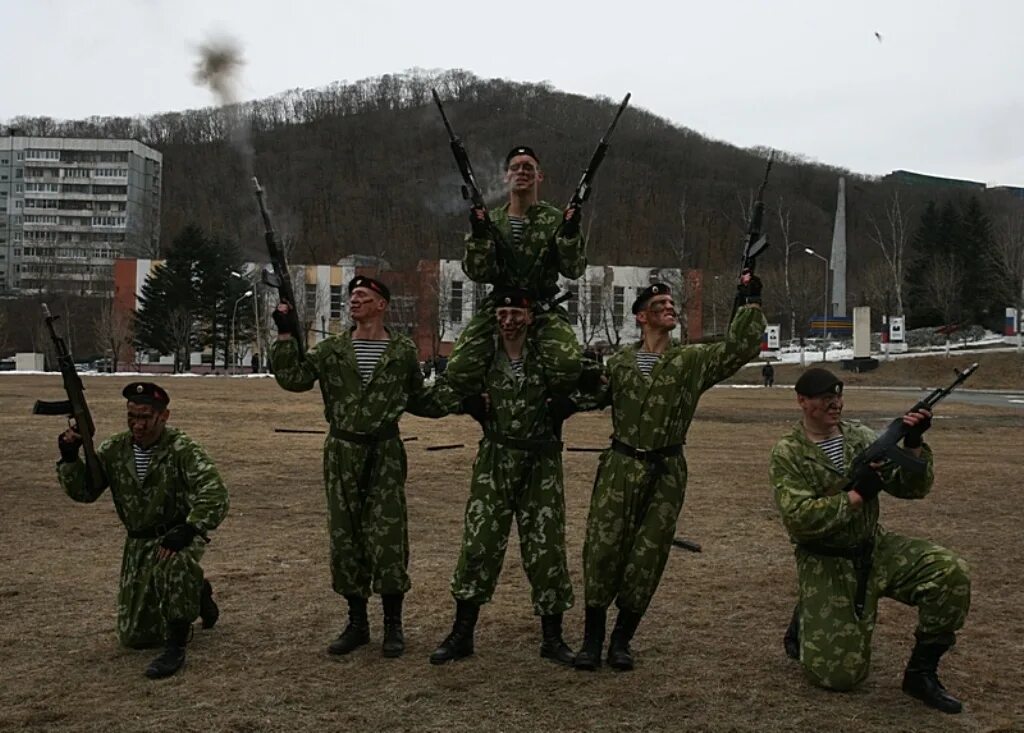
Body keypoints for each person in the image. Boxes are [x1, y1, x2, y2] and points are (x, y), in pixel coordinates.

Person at [572, 275, 766, 671]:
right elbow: (586, 397)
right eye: (659, 304)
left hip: (666, 471)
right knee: (602, 549)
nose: (668, 308)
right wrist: (578, 376)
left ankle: (621, 641)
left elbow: (739, 348)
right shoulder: (620, 363)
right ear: (641, 317)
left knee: (648, 555)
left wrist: (749, 300)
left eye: (671, 304)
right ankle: (591, 641)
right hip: (620, 466)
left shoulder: (691, 362)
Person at [769, 367, 970, 714]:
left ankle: (921, 675)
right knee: (839, 678)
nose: (836, 404)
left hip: (873, 546)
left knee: (950, 572)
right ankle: (807, 617)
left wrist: (913, 443)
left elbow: (912, 489)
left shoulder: (860, 437)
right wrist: (856, 495)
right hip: (827, 561)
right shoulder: (788, 452)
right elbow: (800, 520)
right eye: (826, 398)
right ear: (802, 401)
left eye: (839, 396)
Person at [270, 275, 447, 659]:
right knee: (345, 537)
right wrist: (285, 337)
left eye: (362, 296)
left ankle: (393, 625)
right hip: (342, 452)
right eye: (351, 296)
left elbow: (420, 399)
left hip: (384, 451)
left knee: (388, 537)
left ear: (382, 304)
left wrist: (463, 397)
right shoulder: (332, 350)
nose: (354, 301)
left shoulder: (401, 351)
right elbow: (294, 379)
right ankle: (357, 623)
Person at [429, 289, 576, 667]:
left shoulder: (546, 356)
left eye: (516, 313)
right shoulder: (483, 358)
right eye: (502, 313)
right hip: (495, 460)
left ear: (530, 317)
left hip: (540, 463)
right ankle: (462, 634)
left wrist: (568, 405)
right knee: (479, 545)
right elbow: (450, 387)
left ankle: (553, 637)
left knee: (546, 551)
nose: (508, 320)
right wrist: (468, 405)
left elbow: (587, 383)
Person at [55, 382, 229, 679]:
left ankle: (176, 644)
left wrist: (190, 527)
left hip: (177, 536)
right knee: (135, 637)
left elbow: (215, 493)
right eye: (131, 416)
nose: (137, 424)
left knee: (173, 564)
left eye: (145, 417)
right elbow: (86, 491)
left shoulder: (183, 449)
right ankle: (198, 592)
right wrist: (70, 458)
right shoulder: (114, 450)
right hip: (139, 542)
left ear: (164, 416)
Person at [444, 145, 586, 399]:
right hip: (501, 307)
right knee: (459, 369)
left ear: (539, 176)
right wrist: (479, 237)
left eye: (528, 167)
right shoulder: (492, 221)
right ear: (505, 176)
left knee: (567, 368)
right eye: (515, 167)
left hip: (542, 305)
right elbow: (478, 273)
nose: (522, 172)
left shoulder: (555, 220)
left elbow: (573, 270)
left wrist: (570, 233)